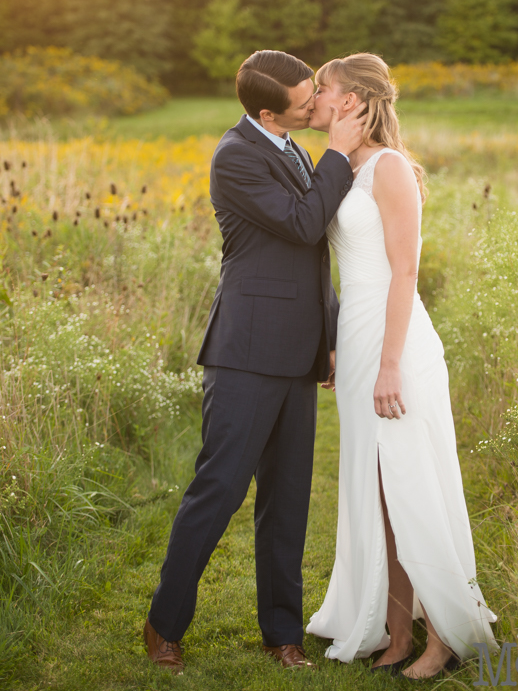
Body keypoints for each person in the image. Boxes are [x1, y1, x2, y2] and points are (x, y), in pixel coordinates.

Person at [143, 49, 365, 673]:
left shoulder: (290, 144)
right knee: (220, 490)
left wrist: (327, 333)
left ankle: (282, 634)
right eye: (303, 100)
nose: (315, 103)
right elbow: (302, 223)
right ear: (268, 111)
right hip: (244, 352)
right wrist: (341, 157)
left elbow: (312, 257)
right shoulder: (236, 155)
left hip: (297, 350)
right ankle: (164, 624)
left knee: (289, 498)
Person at [306, 53, 499, 679]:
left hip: (398, 342)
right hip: (359, 339)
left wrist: (390, 366)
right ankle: (395, 633)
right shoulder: (339, 167)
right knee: (375, 493)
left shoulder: (389, 168)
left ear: (355, 100)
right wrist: (336, 344)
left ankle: (444, 635)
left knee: (409, 486)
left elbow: (405, 273)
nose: (314, 97)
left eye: (324, 89)